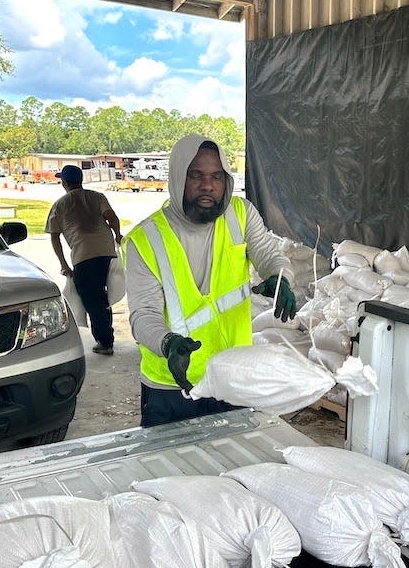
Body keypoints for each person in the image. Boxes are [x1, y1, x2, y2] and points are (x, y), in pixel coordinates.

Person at [123, 135, 297, 427]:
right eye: (196, 175)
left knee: (232, 463)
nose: (208, 185)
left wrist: (281, 278)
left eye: (217, 176)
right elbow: (143, 315)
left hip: (231, 377)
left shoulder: (240, 215)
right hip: (172, 386)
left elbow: (268, 254)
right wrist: (168, 344)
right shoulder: (145, 240)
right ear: (179, 177)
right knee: (171, 468)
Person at [46, 165, 122, 355]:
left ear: (64, 182)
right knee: (103, 296)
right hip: (106, 251)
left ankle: (105, 342)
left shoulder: (60, 204)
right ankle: (106, 335)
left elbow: (54, 236)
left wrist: (64, 265)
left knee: (92, 299)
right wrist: (118, 235)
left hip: (84, 255)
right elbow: (112, 217)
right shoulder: (96, 197)